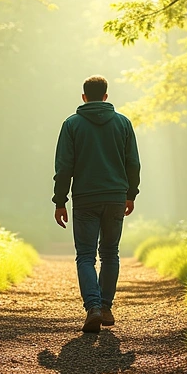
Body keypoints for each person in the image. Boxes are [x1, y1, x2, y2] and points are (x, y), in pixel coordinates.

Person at [52, 75, 141, 333]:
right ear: (105, 96)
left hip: (84, 199)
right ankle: (105, 306)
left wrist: (60, 201)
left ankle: (93, 307)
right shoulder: (123, 123)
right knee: (110, 253)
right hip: (115, 196)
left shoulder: (71, 125)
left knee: (86, 256)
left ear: (83, 97)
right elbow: (133, 163)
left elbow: (64, 167)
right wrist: (131, 194)